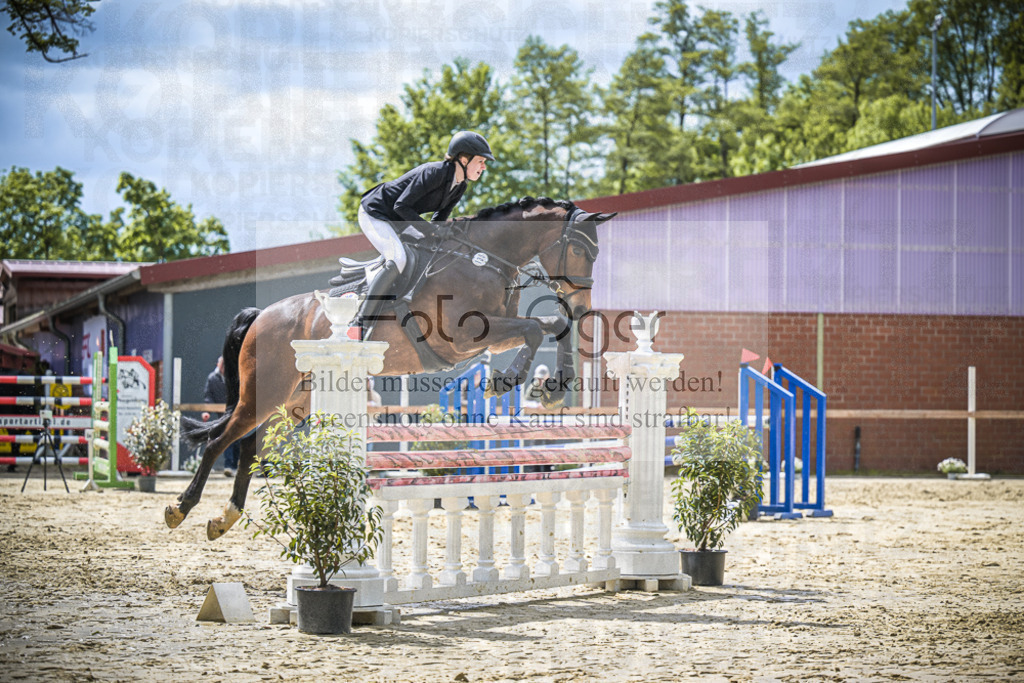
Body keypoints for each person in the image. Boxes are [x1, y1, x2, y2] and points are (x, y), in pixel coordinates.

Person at [352, 130, 495, 337]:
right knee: (398, 258)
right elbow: (402, 205)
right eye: (481, 161)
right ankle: (359, 323)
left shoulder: (459, 186)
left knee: (431, 252)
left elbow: (437, 219)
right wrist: (432, 230)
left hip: (399, 219)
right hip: (376, 212)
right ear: (464, 159)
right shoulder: (434, 173)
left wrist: (445, 233)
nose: (483, 167)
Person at [202, 357, 240, 477]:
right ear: (218, 365)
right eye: (222, 365)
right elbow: (209, 396)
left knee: (237, 440)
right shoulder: (212, 378)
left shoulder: (234, 377)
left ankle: (234, 466)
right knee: (227, 438)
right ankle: (229, 466)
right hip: (222, 415)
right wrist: (209, 410)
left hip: (235, 413)